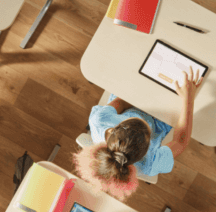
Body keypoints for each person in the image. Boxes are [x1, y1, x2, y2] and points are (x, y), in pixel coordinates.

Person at [73, 67, 202, 200]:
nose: (142, 121)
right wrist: (188, 99)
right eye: (146, 130)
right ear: (147, 148)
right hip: (159, 122)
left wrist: (148, 94)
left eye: (136, 121)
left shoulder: (99, 121)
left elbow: (120, 102)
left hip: (130, 100)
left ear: (112, 129)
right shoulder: (150, 165)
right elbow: (180, 142)